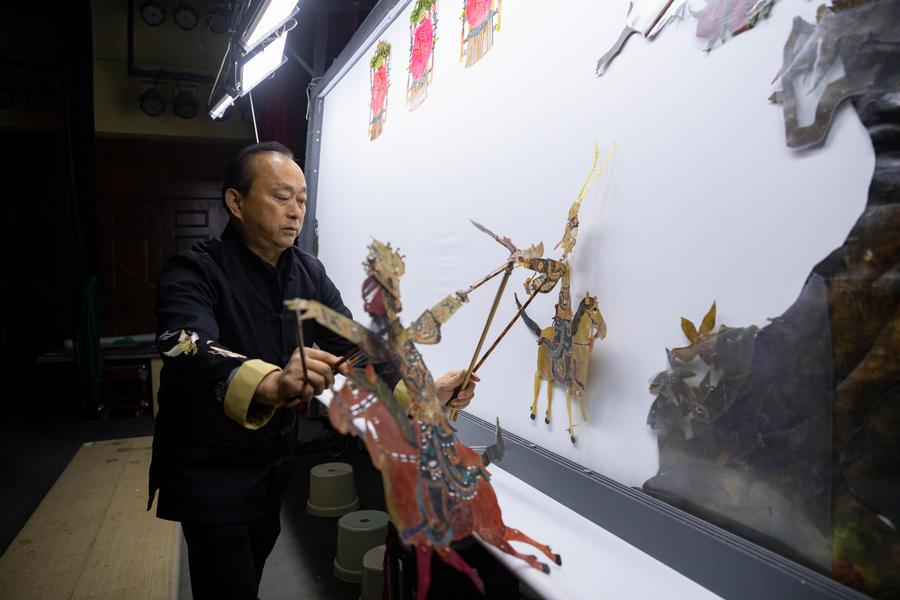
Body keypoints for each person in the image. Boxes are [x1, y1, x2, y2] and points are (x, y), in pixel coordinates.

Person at [148, 141, 478, 599]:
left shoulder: (307, 272)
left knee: (252, 565)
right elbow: (185, 345)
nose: (295, 211)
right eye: (282, 197)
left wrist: (422, 394)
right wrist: (271, 381)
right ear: (236, 202)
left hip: (270, 462)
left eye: (302, 200)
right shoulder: (194, 270)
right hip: (210, 468)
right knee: (226, 586)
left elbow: (358, 348)